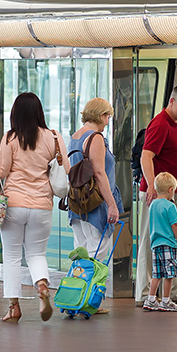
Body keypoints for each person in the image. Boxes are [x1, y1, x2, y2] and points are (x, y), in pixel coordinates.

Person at [0, 92, 69, 324]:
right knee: (36, 253)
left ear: (15, 114)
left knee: (11, 257)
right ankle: (41, 284)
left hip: (14, 205)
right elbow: (65, 168)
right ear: (39, 112)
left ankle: (14, 308)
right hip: (42, 206)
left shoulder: (11, 138)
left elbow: (1, 172)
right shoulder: (54, 137)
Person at [135, 83, 177, 307]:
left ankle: (174, 292)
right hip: (159, 195)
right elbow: (146, 157)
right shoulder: (160, 124)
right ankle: (145, 294)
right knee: (150, 241)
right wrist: (153, 187)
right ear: (171, 101)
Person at [68, 98, 124, 314]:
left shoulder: (76, 136)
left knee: (81, 255)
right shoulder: (96, 138)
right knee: (97, 255)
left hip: (77, 203)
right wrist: (112, 205)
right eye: (107, 116)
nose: (108, 121)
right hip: (95, 204)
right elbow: (100, 174)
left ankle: (77, 297)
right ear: (101, 116)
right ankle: (89, 301)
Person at [143, 172, 177, 312]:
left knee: (157, 274)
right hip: (169, 244)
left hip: (156, 244)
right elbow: (175, 226)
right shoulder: (170, 206)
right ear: (170, 190)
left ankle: (151, 299)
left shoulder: (153, 205)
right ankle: (166, 301)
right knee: (169, 274)